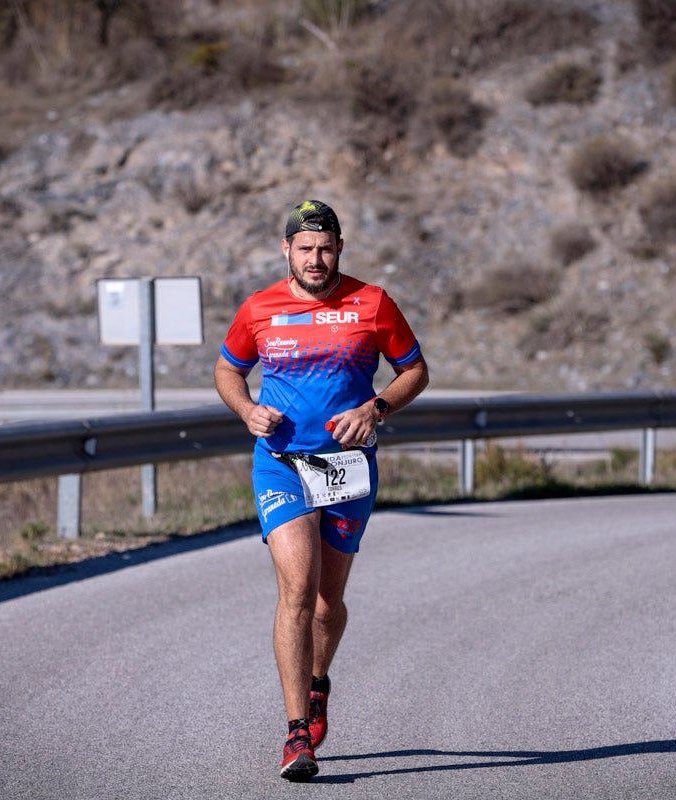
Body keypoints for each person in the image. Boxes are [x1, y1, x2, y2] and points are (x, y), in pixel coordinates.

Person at [214, 199, 430, 782]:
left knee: (329, 605)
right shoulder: (259, 308)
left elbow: (414, 369)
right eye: (305, 248)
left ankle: (317, 684)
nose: (316, 258)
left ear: (339, 249)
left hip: (347, 467)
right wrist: (247, 410)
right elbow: (228, 368)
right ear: (286, 250)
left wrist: (375, 407)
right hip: (282, 463)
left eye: (326, 247)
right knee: (298, 590)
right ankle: (295, 736)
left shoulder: (372, 302)